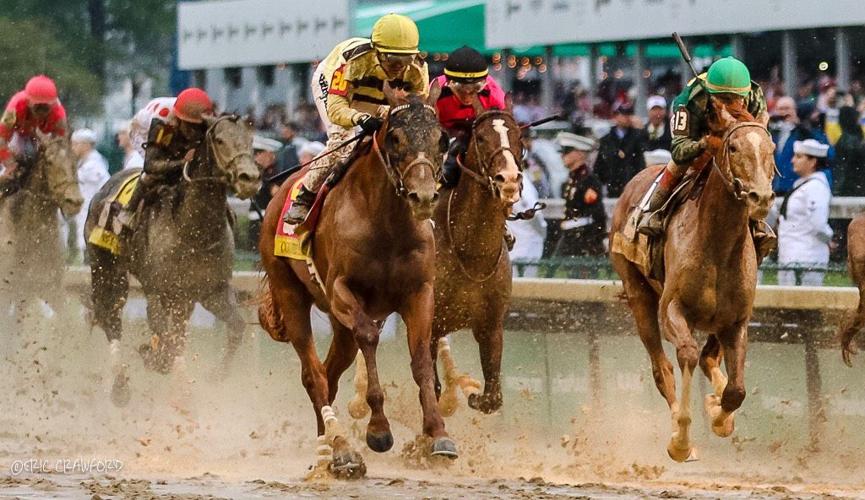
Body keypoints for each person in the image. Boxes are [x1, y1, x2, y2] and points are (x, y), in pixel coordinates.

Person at [283, 13, 429, 225]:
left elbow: (417, 112)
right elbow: (336, 109)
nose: (400, 66)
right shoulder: (353, 62)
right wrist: (359, 118)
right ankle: (305, 196)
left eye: (405, 59)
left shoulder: (417, 68)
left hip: (377, 95)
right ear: (377, 51)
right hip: (337, 89)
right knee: (342, 142)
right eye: (392, 58)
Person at [635, 57, 774, 258]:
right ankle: (654, 211)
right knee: (678, 165)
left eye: (737, 98)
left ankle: (759, 224)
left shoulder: (754, 95)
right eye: (725, 99)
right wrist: (705, 144)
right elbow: (679, 150)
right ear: (712, 94)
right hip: (698, 137)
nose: (733, 103)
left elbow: (759, 137)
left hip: (737, 141)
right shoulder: (689, 100)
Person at [117, 88, 214, 229]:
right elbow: (150, 165)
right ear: (180, 119)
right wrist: (182, 162)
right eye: (189, 126)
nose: (194, 132)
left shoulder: (206, 119)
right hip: (142, 130)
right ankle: (129, 209)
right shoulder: (163, 122)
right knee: (154, 174)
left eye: (197, 127)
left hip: (173, 123)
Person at [433, 45, 507, 188]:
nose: (467, 96)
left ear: (484, 85)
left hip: (480, 138)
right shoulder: (436, 91)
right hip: (444, 136)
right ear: (449, 84)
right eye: (460, 89)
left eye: (475, 89)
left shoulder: (495, 96)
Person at [777, 139, 833, 286]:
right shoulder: (801, 185)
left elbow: (818, 224)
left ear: (813, 161)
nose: (793, 160)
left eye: (799, 156)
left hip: (806, 258)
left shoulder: (816, 187)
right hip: (791, 256)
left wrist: (829, 238)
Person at [0, 75, 68, 188]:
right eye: (37, 107)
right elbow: (1, 140)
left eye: (45, 108)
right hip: (17, 136)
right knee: (10, 172)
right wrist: (10, 164)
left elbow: (62, 145)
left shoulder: (59, 115)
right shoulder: (14, 108)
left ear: (53, 105)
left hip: (45, 138)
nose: (41, 112)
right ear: (28, 103)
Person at [554, 132, 606, 257]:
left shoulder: (588, 181)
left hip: (583, 237)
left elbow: (597, 214)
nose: (562, 156)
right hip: (570, 235)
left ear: (579, 154)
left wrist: (595, 240)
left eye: (566, 152)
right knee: (553, 270)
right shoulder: (573, 179)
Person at [770, 97, 832, 195]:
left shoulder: (805, 131)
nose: (784, 113)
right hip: (775, 188)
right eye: (780, 109)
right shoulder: (772, 133)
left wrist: (800, 126)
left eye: (787, 108)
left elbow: (827, 152)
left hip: (798, 186)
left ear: (795, 111)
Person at [69, 128, 110, 258]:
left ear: (86, 145)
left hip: (92, 212)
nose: (72, 148)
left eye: (75, 144)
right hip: (85, 212)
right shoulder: (85, 163)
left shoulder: (94, 165)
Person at [594, 101, 645, 198]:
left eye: (628, 114)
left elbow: (640, 163)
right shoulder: (606, 140)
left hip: (631, 188)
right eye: (623, 114)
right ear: (615, 116)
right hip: (612, 188)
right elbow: (599, 166)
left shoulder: (636, 137)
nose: (626, 118)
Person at [248, 135, 284, 249]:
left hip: (266, 220)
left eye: (259, 153)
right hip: (256, 219)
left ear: (269, 154)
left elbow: (277, 195)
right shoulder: (260, 172)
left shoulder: (275, 173)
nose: (256, 157)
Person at [508, 177, 546, 277]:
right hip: (526, 246)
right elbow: (532, 215)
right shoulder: (521, 183)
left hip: (518, 245)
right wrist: (543, 233)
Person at [833, 106, 865, 196]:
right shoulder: (850, 141)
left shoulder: (848, 138)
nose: (860, 122)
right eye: (857, 119)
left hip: (851, 187)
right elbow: (844, 169)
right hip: (852, 189)